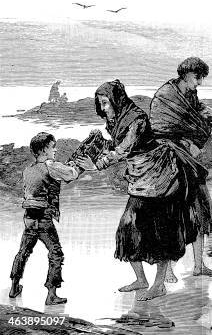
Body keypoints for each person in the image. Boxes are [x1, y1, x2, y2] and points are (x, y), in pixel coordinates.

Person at [78, 80, 201, 301]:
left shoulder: (137, 119)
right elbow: (118, 146)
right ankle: (141, 280)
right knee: (127, 228)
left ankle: (159, 284)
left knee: (162, 233)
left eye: (106, 103)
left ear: (117, 100)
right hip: (139, 180)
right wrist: (99, 144)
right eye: (100, 104)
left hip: (160, 178)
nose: (103, 108)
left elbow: (124, 149)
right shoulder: (115, 120)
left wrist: (96, 165)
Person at [149, 57, 212, 279]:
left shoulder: (191, 94)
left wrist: (205, 114)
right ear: (186, 74)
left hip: (189, 160)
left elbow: (194, 119)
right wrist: (185, 141)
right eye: (197, 77)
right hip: (168, 160)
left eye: (202, 78)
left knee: (199, 209)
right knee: (171, 215)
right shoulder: (165, 95)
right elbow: (159, 129)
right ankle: (167, 269)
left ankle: (199, 265)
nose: (200, 83)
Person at [9, 132, 81, 305]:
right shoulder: (51, 165)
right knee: (56, 253)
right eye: (53, 147)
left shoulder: (28, 170)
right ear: (43, 150)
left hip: (28, 218)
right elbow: (71, 174)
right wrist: (74, 167)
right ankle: (51, 294)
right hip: (43, 218)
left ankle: (14, 287)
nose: (55, 150)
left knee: (23, 252)